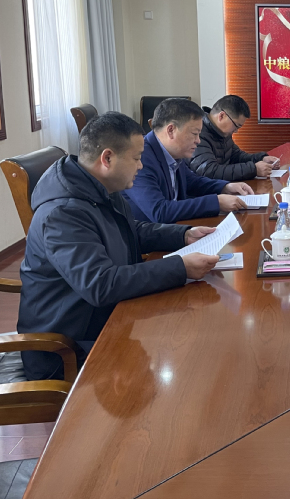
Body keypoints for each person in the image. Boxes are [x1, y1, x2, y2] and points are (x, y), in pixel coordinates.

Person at [17, 112, 220, 380]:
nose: (141, 166)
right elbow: (100, 284)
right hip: (68, 349)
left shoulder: (97, 186)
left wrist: (183, 235)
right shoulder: (63, 213)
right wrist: (180, 267)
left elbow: (128, 229)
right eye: (136, 158)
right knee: (184, 359)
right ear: (108, 158)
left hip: (104, 319)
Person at [124, 98, 254, 223]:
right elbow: (160, 212)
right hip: (150, 236)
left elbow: (192, 181)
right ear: (171, 130)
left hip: (176, 229)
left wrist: (225, 187)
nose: (198, 140)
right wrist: (216, 202)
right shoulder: (140, 158)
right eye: (194, 134)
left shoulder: (172, 152)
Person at [190, 95, 280, 180]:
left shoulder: (223, 132)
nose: (236, 131)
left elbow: (236, 156)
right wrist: (253, 169)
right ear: (222, 116)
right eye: (236, 126)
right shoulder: (197, 133)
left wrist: (261, 159)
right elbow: (209, 171)